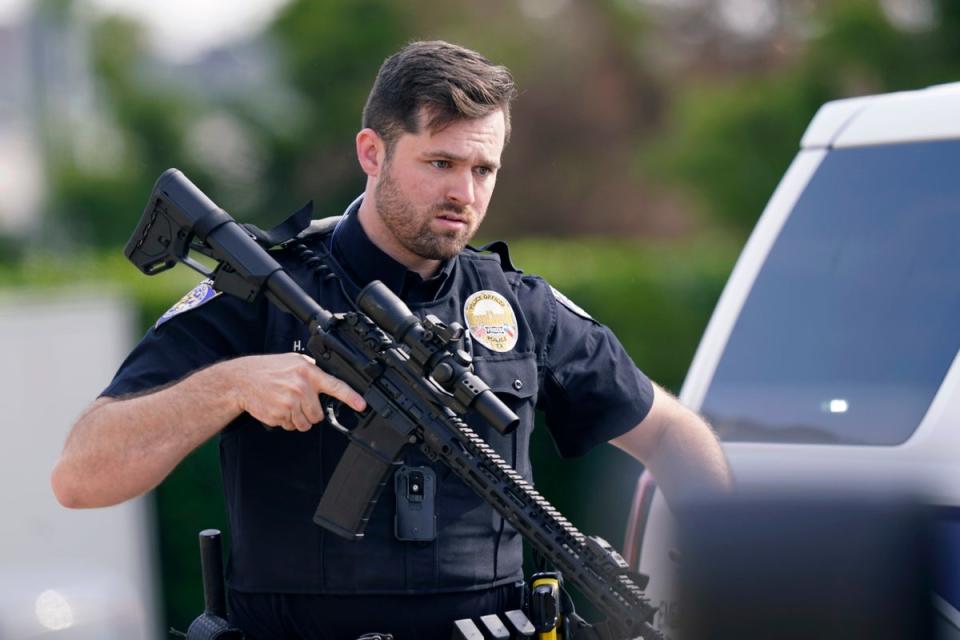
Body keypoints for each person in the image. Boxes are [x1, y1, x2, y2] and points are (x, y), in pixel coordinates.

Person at [51, 40, 731, 639]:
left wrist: (728, 582)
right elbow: (82, 475)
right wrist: (232, 385)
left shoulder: (519, 307)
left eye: (483, 169)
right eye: (440, 162)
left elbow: (673, 433)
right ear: (371, 152)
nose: (464, 191)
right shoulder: (257, 291)